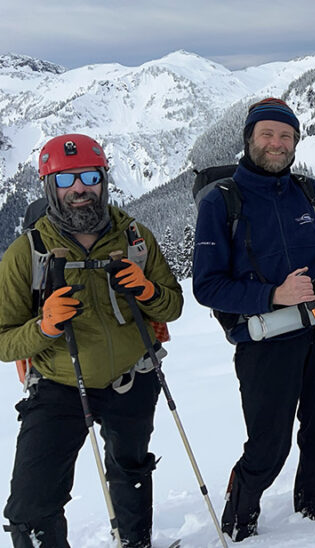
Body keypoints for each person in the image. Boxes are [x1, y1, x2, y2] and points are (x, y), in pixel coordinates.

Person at [0, 133, 183, 547]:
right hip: (57, 385)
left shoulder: (135, 237)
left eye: (88, 176)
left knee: (131, 468)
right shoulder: (26, 253)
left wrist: (147, 292)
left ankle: (136, 541)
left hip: (133, 378)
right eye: (65, 180)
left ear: (103, 179)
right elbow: (3, 341)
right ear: (49, 187)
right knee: (31, 503)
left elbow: (172, 307)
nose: (80, 189)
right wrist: (43, 327)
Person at [192, 97, 315, 541]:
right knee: (269, 444)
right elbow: (207, 286)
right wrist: (273, 295)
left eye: (286, 136)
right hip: (262, 342)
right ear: (249, 139)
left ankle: (312, 503)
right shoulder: (222, 203)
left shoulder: (311, 193)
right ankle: (240, 518)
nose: (276, 143)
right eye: (267, 134)